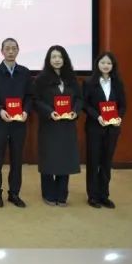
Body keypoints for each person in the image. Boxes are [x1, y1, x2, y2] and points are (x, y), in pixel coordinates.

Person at [0, 37, 33, 207]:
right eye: (7, 48)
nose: (11, 51)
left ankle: (14, 193)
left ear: (18, 50)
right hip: (0, 121)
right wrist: (0, 110)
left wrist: (26, 110)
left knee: (17, 160)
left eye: (14, 48)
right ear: (2, 51)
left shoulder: (25, 72)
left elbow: (30, 96)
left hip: (19, 123)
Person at [34, 45, 82, 206]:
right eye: (53, 57)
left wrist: (75, 111)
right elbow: (36, 100)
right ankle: (48, 193)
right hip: (49, 125)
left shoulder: (72, 78)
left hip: (67, 125)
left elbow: (79, 99)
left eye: (60, 57)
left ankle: (62, 194)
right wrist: (49, 112)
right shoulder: (41, 79)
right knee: (48, 159)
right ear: (48, 60)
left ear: (64, 59)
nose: (57, 60)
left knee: (65, 159)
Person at [82, 51, 127, 209]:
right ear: (97, 65)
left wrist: (119, 117)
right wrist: (97, 117)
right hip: (95, 127)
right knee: (93, 161)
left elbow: (122, 105)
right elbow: (85, 104)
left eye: (109, 63)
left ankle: (104, 195)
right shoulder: (89, 82)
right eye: (103, 63)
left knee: (106, 162)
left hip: (112, 129)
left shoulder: (117, 83)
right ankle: (93, 196)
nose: (106, 65)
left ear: (113, 65)